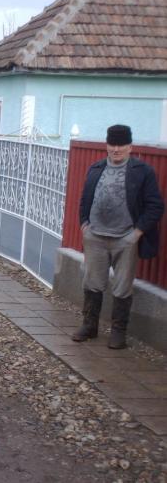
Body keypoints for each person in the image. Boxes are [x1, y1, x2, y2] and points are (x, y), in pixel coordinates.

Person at [72, 125, 164, 349]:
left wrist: (136, 234)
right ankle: (89, 326)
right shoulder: (96, 168)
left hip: (125, 239)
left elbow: (155, 206)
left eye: (121, 145)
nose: (116, 149)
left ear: (130, 147)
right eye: (112, 144)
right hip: (95, 237)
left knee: (123, 286)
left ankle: (118, 332)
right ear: (107, 145)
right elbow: (85, 200)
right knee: (92, 282)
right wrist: (85, 226)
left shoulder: (142, 171)